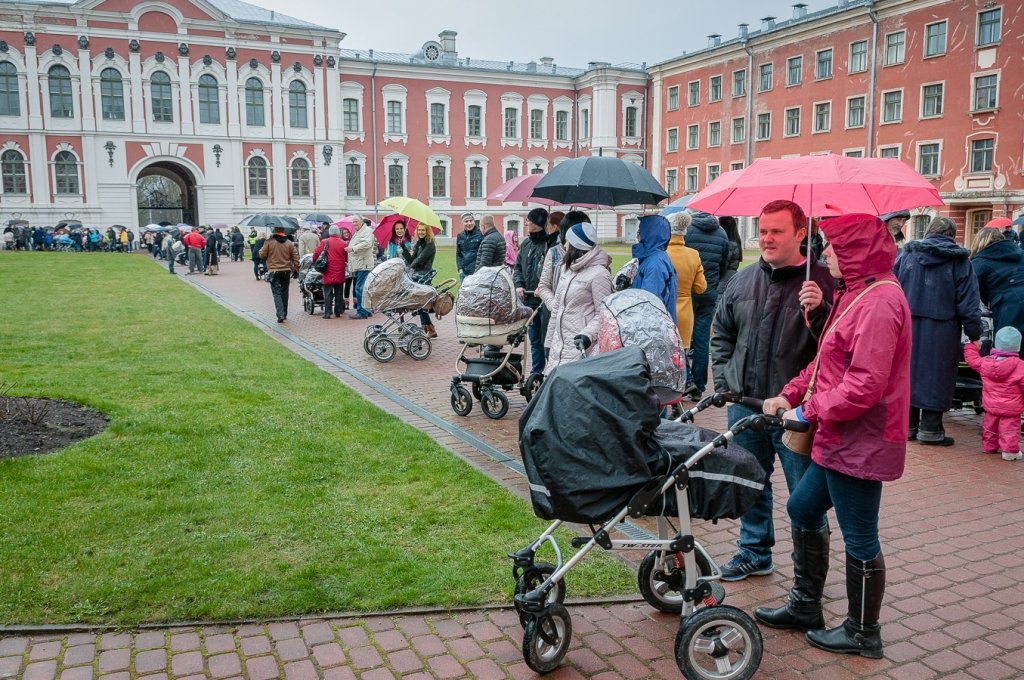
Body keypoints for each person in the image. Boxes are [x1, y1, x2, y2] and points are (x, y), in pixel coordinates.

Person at [755, 213, 911, 658]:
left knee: (860, 535)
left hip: (862, 439)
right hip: (839, 435)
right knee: (802, 507)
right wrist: (790, 393)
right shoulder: (853, 293)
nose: (824, 253)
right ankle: (807, 605)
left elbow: (864, 385)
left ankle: (864, 632)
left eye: (834, 246)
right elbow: (826, 362)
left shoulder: (880, 302)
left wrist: (808, 409)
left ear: (856, 252)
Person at [711, 199, 836, 581]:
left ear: (801, 233)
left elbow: (836, 349)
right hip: (746, 403)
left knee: (805, 496)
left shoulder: (823, 281)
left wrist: (819, 311)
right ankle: (753, 552)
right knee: (751, 483)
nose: (766, 238)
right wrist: (726, 382)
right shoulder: (744, 279)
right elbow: (722, 333)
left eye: (776, 231)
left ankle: (808, 573)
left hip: (798, 412)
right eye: (763, 230)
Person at [895, 216, 982, 445]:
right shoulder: (960, 262)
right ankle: (931, 429)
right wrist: (975, 334)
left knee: (909, 373)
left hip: (907, 324)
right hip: (943, 327)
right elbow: (969, 301)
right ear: (951, 235)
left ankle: (908, 426)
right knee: (936, 376)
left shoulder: (907, 256)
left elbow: (892, 287)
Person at [541, 221, 612, 375]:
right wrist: (548, 342)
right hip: (558, 346)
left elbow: (603, 313)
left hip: (581, 346)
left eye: (567, 242)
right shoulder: (567, 270)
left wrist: (587, 334)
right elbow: (557, 309)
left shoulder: (600, 274)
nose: (564, 246)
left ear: (576, 246)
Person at [683, 210, 730, 398]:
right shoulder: (721, 233)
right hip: (709, 290)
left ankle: (687, 379)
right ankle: (700, 385)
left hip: (687, 292)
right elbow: (724, 264)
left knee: (681, 338)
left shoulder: (688, 230)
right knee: (702, 338)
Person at [964, 327, 1024, 460]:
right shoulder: (1020, 366)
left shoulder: (986, 362)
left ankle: (989, 447)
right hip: (1011, 408)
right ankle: (1010, 452)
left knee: (990, 427)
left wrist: (971, 346)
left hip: (991, 405)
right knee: (1010, 430)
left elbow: (972, 360)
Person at [665, 211, 706, 367]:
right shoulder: (693, 255)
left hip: (664, 309)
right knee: (681, 357)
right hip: (685, 311)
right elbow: (701, 287)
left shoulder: (662, 254)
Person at [514, 208, 551, 374]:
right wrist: (519, 284)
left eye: (529, 220)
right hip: (529, 300)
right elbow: (518, 268)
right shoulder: (526, 244)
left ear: (538, 223)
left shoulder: (549, 245)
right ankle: (536, 372)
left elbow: (550, 271)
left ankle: (547, 371)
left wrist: (542, 287)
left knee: (546, 340)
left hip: (544, 300)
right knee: (534, 339)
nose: (526, 222)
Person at [971, 227, 1024, 340]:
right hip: (1013, 302)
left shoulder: (979, 262)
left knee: (1007, 351)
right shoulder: (1020, 254)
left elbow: (974, 290)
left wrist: (991, 301)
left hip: (1009, 308)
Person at [631, 215, 678, 322]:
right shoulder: (653, 258)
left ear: (650, 234)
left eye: (640, 232)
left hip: (652, 329)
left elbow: (649, 303)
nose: (638, 236)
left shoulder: (656, 264)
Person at [402, 223, 438, 337]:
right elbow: (412, 259)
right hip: (418, 275)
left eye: (423, 230)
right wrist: (403, 247)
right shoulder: (419, 243)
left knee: (421, 302)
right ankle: (427, 328)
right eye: (419, 230)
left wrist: (409, 268)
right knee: (420, 303)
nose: (421, 232)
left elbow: (419, 260)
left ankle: (430, 329)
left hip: (424, 276)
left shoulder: (430, 245)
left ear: (427, 231)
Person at [259, 225, 299, 323]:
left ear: (274, 230)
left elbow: (262, 255)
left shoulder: (269, 242)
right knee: (285, 292)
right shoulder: (289, 243)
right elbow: (296, 257)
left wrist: (261, 250)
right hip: (286, 270)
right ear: (283, 230)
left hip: (273, 270)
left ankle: (280, 313)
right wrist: (296, 269)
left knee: (277, 292)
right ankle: (284, 313)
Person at [312, 226, 348, 319]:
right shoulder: (344, 243)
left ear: (330, 233)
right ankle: (338, 312)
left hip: (328, 270)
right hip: (340, 270)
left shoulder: (325, 242)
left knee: (328, 292)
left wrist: (314, 261)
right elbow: (347, 257)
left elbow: (316, 253)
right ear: (338, 233)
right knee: (339, 293)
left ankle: (328, 313)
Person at [347, 216, 375, 319]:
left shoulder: (366, 231)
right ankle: (366, 310)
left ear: (362, 222)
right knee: (363, 288)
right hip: (360, 264)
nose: (354, 223)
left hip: (364, 264)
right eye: (353, 222)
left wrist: (353, 248)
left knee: (359, 288)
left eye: (356, 221)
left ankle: (362, 312)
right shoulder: (360, 231)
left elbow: (366, 244)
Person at [718, 216, 743, 293]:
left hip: (725, 279)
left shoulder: (730, 244)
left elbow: (724, 263)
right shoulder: (735, 241)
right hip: (731, 277)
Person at [455, 212, 482, 279]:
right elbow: (458, 254)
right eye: (466, 221)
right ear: (462, 223)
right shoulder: (460, 236)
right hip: (464, 272)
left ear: (474, 221)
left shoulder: (481, 234)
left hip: (477, 272)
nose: (469, 223)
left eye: (471, 221)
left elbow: (483, 253)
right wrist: (460, 269)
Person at [340, 227, 355, 310]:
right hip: (346, 266)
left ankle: (355, 303)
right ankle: (346, 303)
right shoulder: (342, 242)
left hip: (355, 265)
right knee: (348, 284)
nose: (346, 234)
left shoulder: (353, 241)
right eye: (344, 233)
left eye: (347, 233)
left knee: (355, 284)